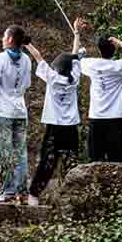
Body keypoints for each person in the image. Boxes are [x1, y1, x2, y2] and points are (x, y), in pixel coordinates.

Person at [25, 18, 86, 206]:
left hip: (54, 127)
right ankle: (72, 198)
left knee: (47, 162)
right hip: (71, 128)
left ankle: (34, 195)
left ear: (57, 67)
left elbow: (38, 57)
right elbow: (74, 57)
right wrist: (77, 34)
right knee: (71, 161)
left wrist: (26, 43)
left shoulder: (52, 77)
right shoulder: (74, 78)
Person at [81, 32, 122, 162]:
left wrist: (77, 36)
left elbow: (75, 58)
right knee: (117, 161)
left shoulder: (91, 64)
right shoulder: (121, 66)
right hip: (115, 120)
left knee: (95, 160)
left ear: (99, 49)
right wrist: (121, 43)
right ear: (114, 48)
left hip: (96, 118)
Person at [0, 25, 32, 203]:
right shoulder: (27, 60)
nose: (2, 39)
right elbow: (26, 85)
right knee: (20, 153)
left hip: (2, 112)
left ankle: (7, 191)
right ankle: (22, 191)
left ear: (11, 39)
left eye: (4, 36)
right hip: (20, 111)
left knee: (4, 152)